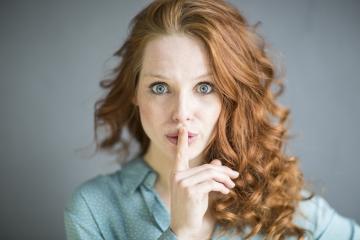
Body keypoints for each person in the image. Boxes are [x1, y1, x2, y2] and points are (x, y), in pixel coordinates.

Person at [64, 0, 360, 239]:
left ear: (230, 96)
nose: (181, 112)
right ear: (135, 93)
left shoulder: (282, 205)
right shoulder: (94, 209)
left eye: (205, 87)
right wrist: (182, 232)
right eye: (160, 87)